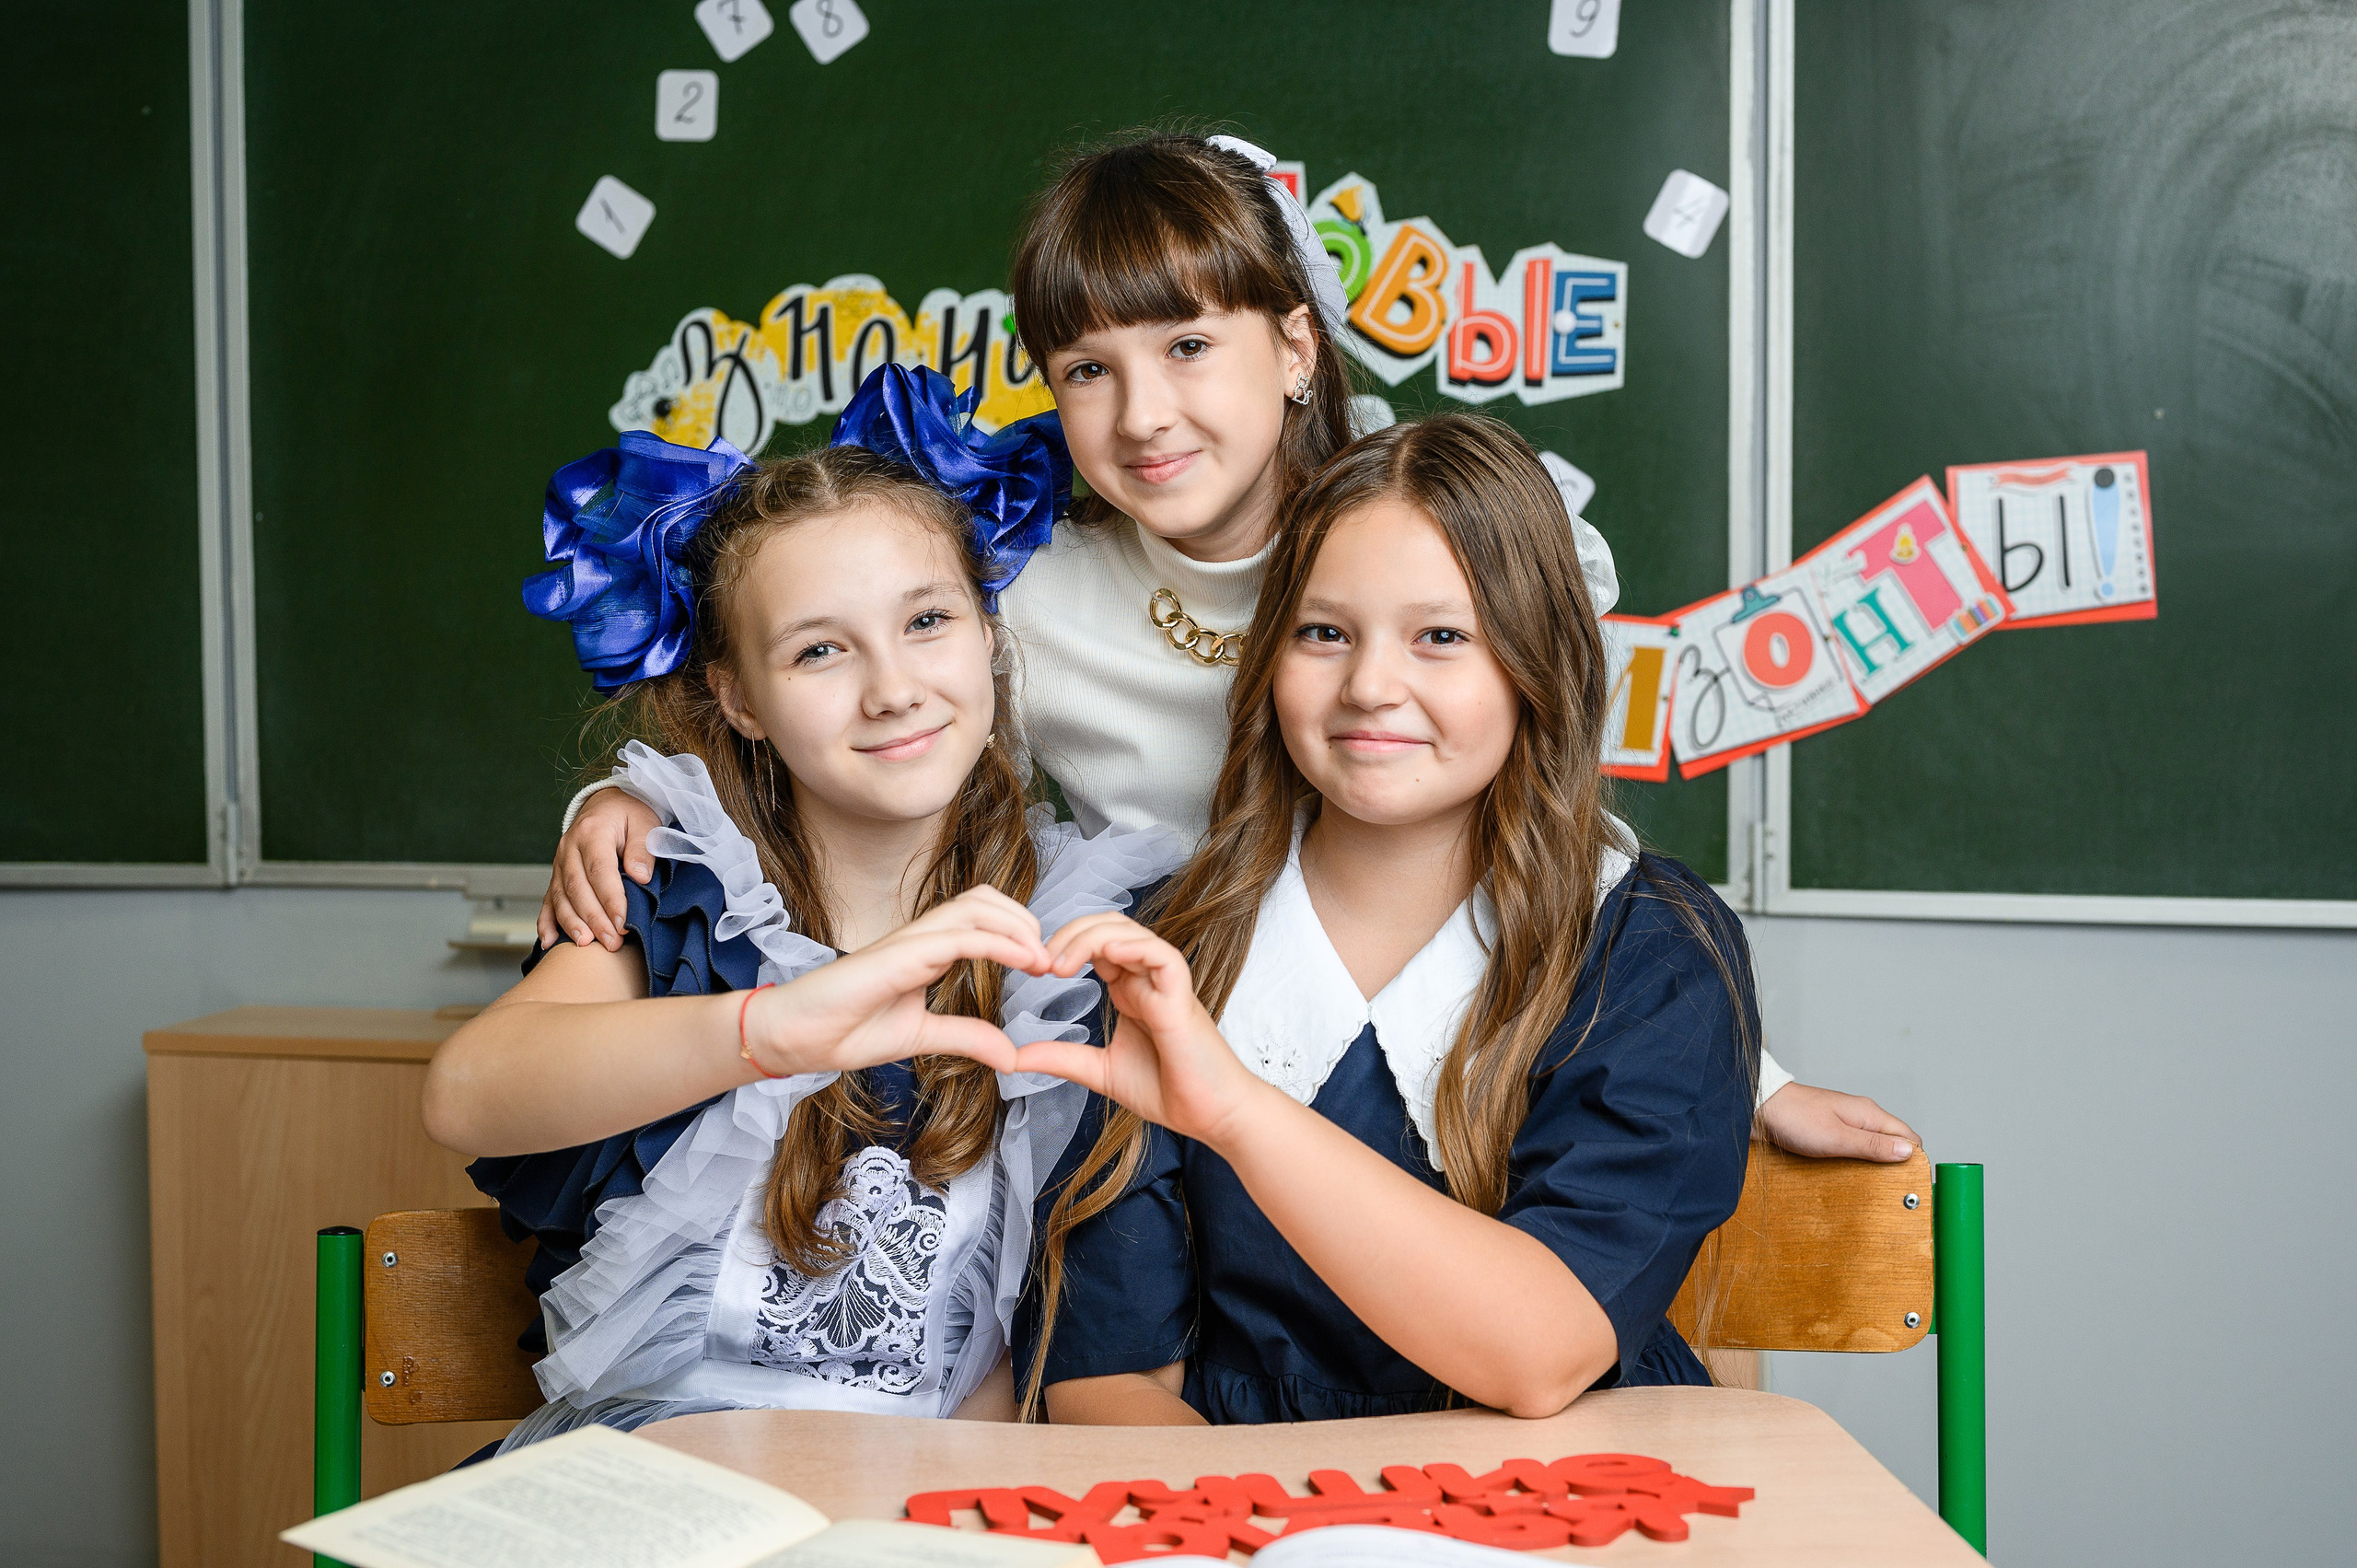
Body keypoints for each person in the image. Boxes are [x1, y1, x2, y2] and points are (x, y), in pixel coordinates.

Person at [541, 132, 1910, 1187]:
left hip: (1472, 1072)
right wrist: (633, 805)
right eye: (1086, 368)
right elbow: (851, 730)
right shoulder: (1022, 600)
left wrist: (1751, 1071)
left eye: (1191, 344)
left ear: (1297, 347)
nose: (1144, 414)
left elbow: (1544, 822)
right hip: (1172, 1108)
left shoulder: (1451, 546)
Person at [422, 368, 1185, 1447]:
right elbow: (466, 1094)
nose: (892, 687)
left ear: (987, 630)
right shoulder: (677, 892)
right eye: (819, 649)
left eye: (927, 620)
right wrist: (773, 1028)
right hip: (658, 1474)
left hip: (926, 1481)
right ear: (739, 695)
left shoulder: (1072, 942)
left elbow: (1052, 1341)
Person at [1012, 414, 1759, 1423]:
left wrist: (1233, 1107)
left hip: (1556, 1514)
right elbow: (1107, 1377)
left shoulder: (1652, 947)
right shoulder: (1162, 948)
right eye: (1324, 633)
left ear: (1538, 660)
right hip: (1236, 1518)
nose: (1369, 686)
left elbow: (1538, 1350)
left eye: (1441, 637)